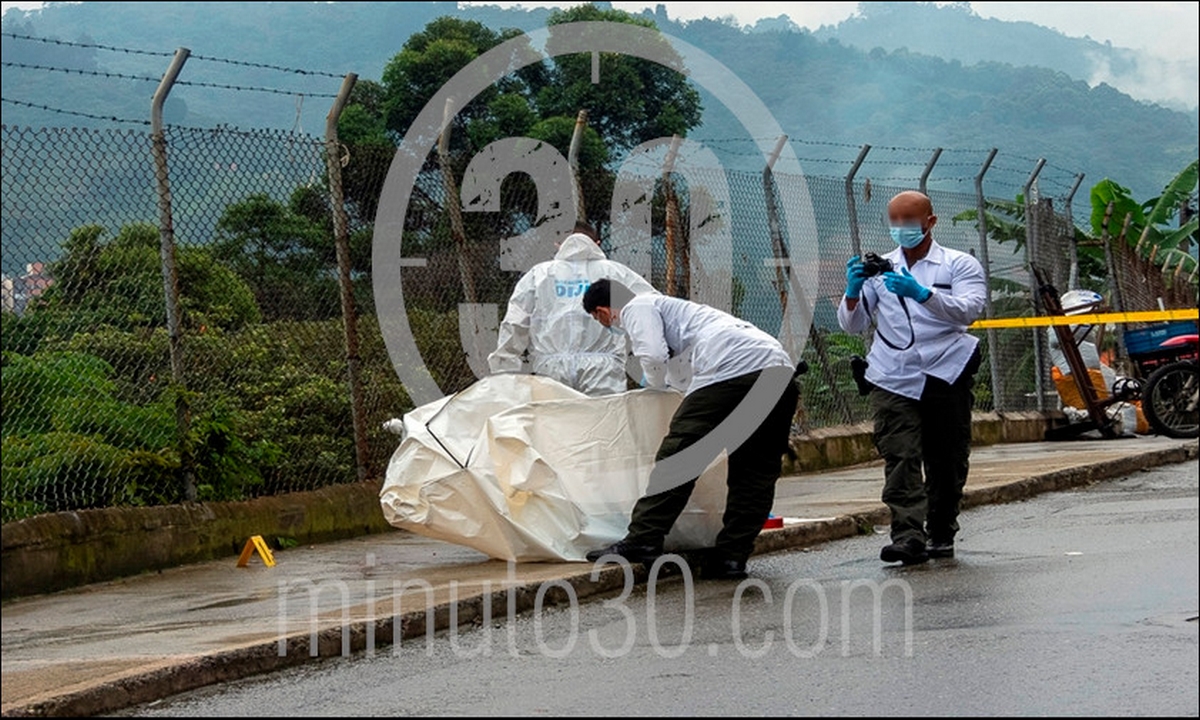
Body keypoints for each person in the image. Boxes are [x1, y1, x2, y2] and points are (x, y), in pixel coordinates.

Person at [580, 278, 801, 580]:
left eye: (598, 319)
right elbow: (680, 378)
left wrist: (652, 387)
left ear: (603, 310)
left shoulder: (637, 305)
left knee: (679, 458)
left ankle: (643, 539)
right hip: (778, 372)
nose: (603, 324)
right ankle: (731, 558)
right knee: (754, 473)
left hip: (731, 370)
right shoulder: (687, 317)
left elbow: (653, 357)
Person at [837, 190, 986, 565]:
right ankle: (907, 536)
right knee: (900, 455)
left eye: (910, 220)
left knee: (947, 458)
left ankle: (941, 529)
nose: (901, 227)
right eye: (895, 221)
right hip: (893, 375)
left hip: (946, 370)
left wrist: (922, 294)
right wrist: (852, 292)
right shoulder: (880, 270)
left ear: (930, 222)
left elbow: (969, 311)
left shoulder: (958, 265)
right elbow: (853, 324)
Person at [488, 222, 656, 396]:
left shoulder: (538, 275)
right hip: (603, 370)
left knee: (555, 413)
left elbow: (514, 323)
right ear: (597, 244)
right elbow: (652, 307)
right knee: (603, 413)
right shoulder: (616, 272)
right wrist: (654, 362)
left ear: (558, 244)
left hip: (550, 372)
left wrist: (504, 373)